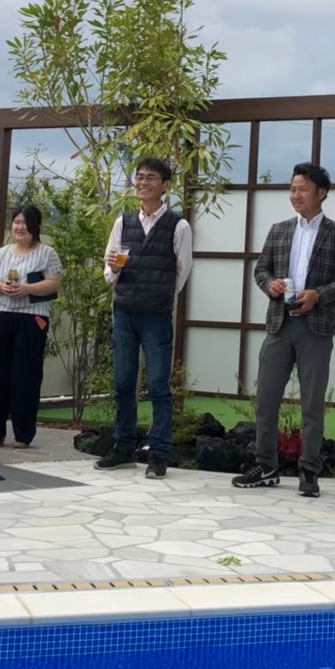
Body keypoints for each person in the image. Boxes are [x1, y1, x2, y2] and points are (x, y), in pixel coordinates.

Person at [233, 162, 335, 499]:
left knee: (312, 405)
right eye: (292, 189)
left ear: (322, 193)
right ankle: (265, 466)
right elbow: (261, 270)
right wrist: (270, 285)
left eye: (302, 189)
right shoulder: (279, 230)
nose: (295, 195)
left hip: (316, 328)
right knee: (266, 399)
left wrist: (319, 295)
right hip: (280, 323)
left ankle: (310, 471)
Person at [94, 157, 192, 479]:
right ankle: (123, 447)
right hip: (124, 311)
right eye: (139, 177)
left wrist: (160, 295)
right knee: (123, 383)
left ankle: (159, 453)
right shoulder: (123, 222)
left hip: (156, 315)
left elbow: (182, 272)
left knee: (158, 386)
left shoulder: (179, 226)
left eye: (151, 177)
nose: (143, 182)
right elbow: (109, 267)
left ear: (166, 185)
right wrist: (114, 270)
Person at [0, 204, 63, 449]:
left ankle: (23, 433)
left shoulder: (47, 253)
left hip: (32, 318)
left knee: (26, 375)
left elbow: (53, 283)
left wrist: (27, 288)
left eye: (25, 222)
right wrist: (1, 287)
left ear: (35, 226)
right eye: (16, 222)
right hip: (0, 315)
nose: (20, 227)